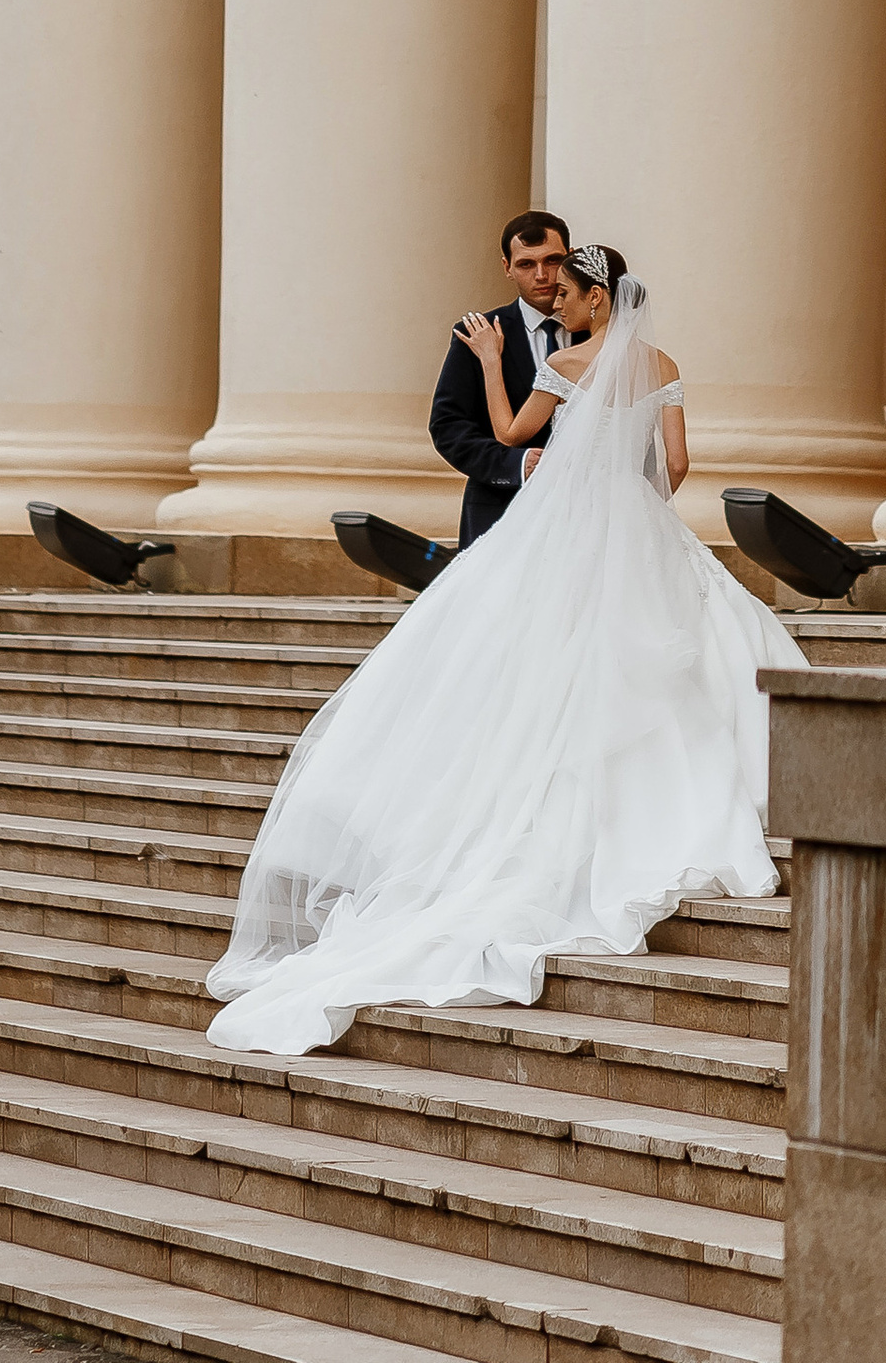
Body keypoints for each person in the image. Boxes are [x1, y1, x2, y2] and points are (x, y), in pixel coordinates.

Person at [203, 240, 805, 1058]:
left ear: (599, 299)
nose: (557, 300)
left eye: (569, 291)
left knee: (535, 659)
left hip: (564, 524)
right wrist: (639, 511)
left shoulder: (565, 363)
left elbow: (509, 431)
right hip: (637, 517)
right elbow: (676, 463)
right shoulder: (661, 361)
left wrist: (494, 362)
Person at [426, 209, 572, 544]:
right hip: (501, 511)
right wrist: (517, 463)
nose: (542, 275)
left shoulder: (599, 336)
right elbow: (448, 427)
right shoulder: (476, 334)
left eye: (552, 260)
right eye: (526, 264)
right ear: (507, 267)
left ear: (570, 259)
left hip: (584, 515)